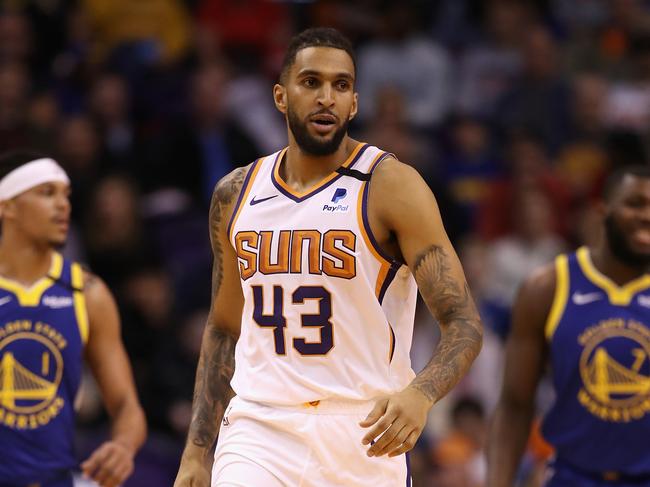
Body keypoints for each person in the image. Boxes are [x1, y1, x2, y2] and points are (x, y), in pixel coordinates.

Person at [174, 27, 483, 487]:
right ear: (281, 96)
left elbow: (464, 323)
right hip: (261, 427)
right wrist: (198, 453)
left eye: (341, 86)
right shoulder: (235, 194)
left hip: (364, 430)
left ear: (355, 103)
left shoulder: (390, 186)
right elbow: (223, 328)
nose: (327, 97)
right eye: (311, 82)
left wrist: (421, 395)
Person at [487, 165, 650, 486]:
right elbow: (515, 406)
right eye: (635, 204)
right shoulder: (548, 287)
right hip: (572, 476)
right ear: (602, 210)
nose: (647, 216)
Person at [0, 151, 146, 487]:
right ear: (6, 206)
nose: (63, 205)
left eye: (65, 195)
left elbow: (127, 406)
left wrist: (123, 446)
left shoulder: (87, 293)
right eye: (46, 193)